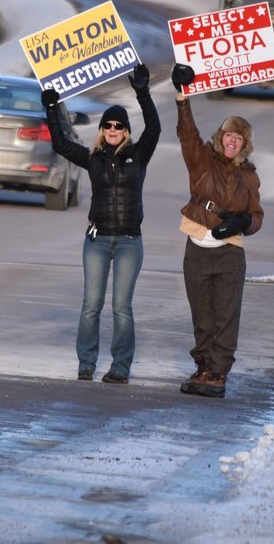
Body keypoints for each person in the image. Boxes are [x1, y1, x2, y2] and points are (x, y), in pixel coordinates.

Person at [41, 63, 161, 385]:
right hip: (96, 241)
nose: (111, 129)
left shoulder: (139, 154)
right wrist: (52, 109)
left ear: (125, 131)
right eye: (107, 125)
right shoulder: (92, 158)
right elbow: (61, 145)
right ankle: (86, 363)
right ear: (102, 129)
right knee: (90, 305)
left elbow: (155, 128)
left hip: (128, 242)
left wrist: (142, 92)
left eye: (118, 126)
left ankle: (120, 366)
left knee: (121, 307)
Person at [171, 63, 263, 399]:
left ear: (244, 144)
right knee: (202, 314)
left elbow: (256, 215)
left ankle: (218, 373)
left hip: (229, 253)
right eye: (228, 135)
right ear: (220, 138)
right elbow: (186, 132)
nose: (232, 141)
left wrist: (242, 223)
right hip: (197, 246)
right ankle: (203, 367)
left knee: (226, 315)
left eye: (239, 138)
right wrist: (183, 96)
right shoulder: (201, 161)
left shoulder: (249, 177)